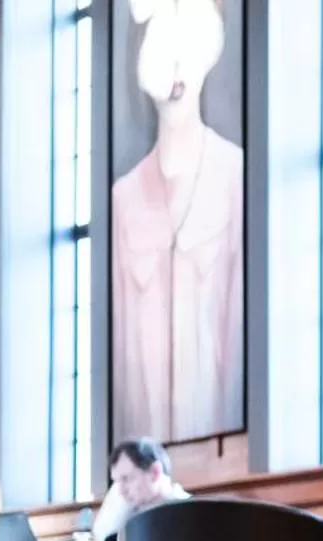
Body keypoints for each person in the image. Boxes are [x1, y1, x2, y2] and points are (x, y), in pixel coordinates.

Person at [112, 0, 244, 443]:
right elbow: (122, 352)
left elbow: (237, 332)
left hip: (215, 440)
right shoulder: (124, 198)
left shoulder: (233, 175)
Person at [93, 438, 191, 541]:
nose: (121, 491)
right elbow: (101, 539)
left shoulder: (192, 513)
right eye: (117, 482)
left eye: (126, 478)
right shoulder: (125, 513)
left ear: (155, 472)